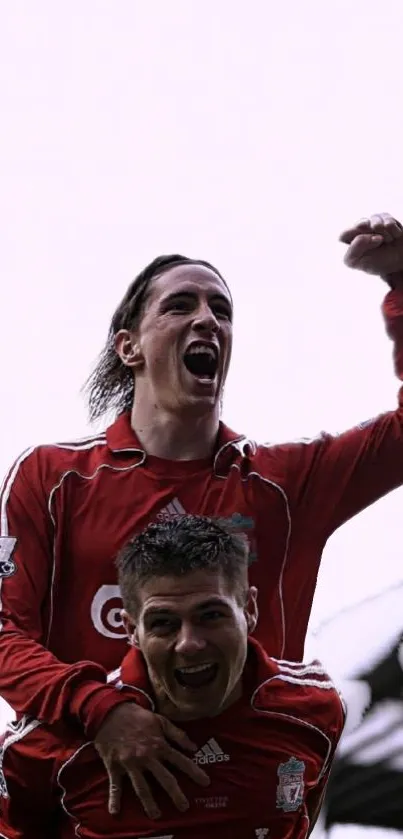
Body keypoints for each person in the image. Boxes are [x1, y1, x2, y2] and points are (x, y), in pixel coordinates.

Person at [0, 211, 403, 816]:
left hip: (246, 804)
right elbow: (5, 631)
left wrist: (400, 281)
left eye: (222, 309)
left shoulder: (284, 485)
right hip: (88, 802)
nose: (207, 319)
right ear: (128, 345)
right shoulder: (53, 478)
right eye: (179, 305)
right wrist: (101, 708)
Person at [0, 515, 345, 838]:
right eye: (163, 622)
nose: (189, 644)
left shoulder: (313, 709)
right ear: (131, 630)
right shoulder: (47, 744)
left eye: (211, 615)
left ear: (250, 610)